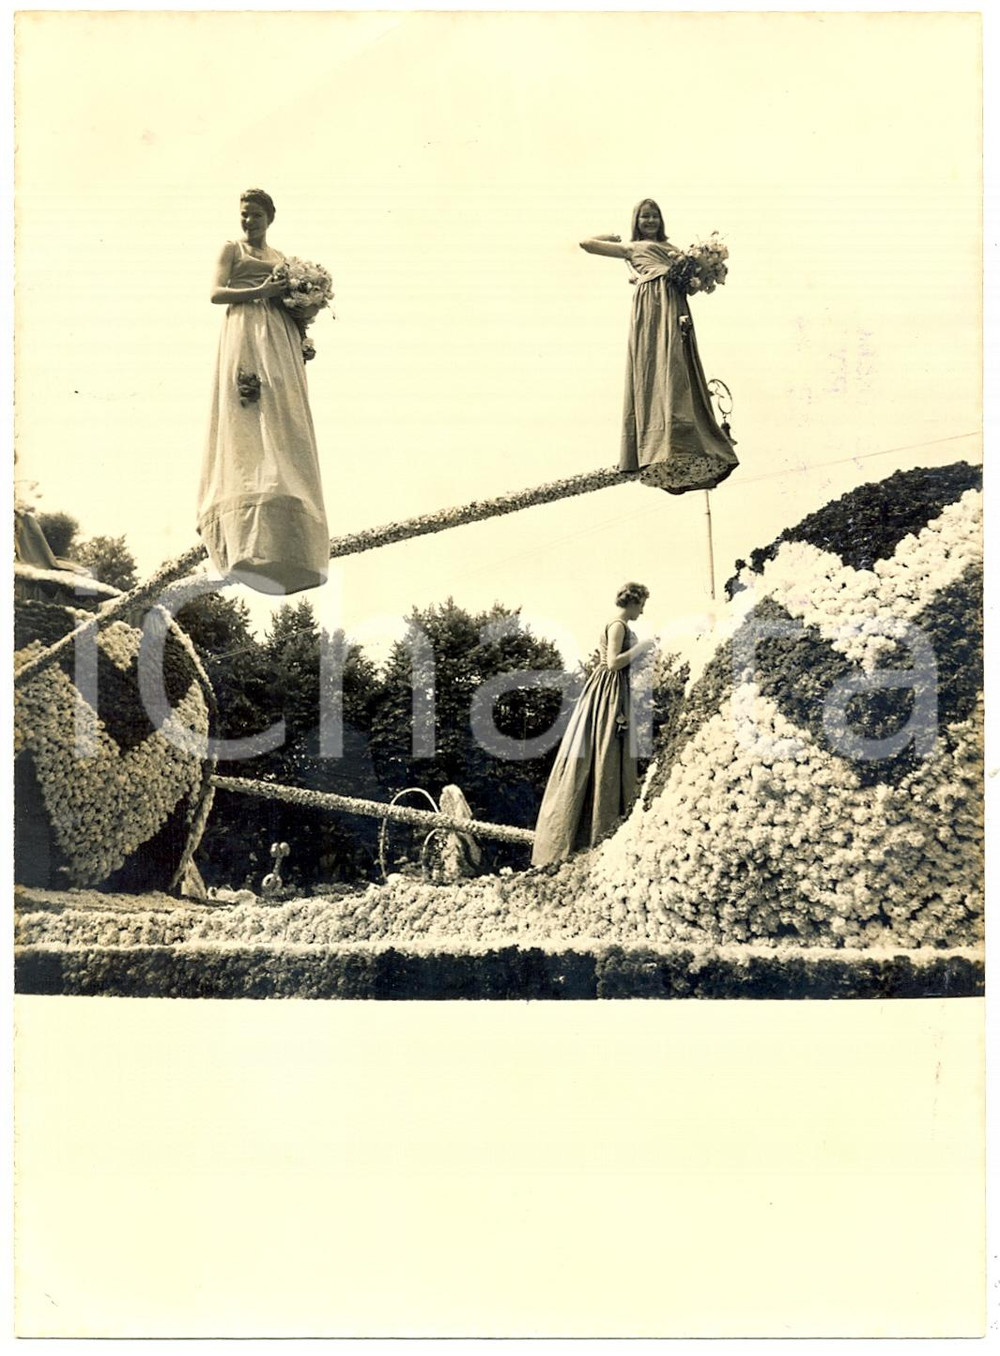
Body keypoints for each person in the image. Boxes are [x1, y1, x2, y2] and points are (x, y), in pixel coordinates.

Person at [197, 188, 329, 594]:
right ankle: (243, 516)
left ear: (269, 217)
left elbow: (290, 302)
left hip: (279, 336)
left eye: (255, 215)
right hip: (246, 330)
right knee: (248, 406)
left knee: (282, 412)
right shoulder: (232, 249)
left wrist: (304, 311)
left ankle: (289, 506)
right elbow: (216, 293)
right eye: (244, 214)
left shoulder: (283, 259)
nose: (248, 221)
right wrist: (261, 293)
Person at [580, 198, 738, 494]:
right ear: (637, 221)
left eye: (654, 216)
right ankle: (653, 441)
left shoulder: (675, 251)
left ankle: (685, 435)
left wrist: (695, 275)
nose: (650, 221)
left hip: (673, 304)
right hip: (651, 304)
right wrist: (611, 237)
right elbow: (585, 243)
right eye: (644, 217)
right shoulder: (631, 248)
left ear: (661, 220)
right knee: (655, 362)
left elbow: (691, 285)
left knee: (676, 365)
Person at [531, 582, 655, 868]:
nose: (643, 610)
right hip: (607, 692)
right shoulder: (617, 625)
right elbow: (612, 663)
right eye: (642, 604)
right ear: (632, 602)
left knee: (609, 754)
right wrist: (642, 648)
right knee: (602, 751)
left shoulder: (621, 626)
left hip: (615, 691)